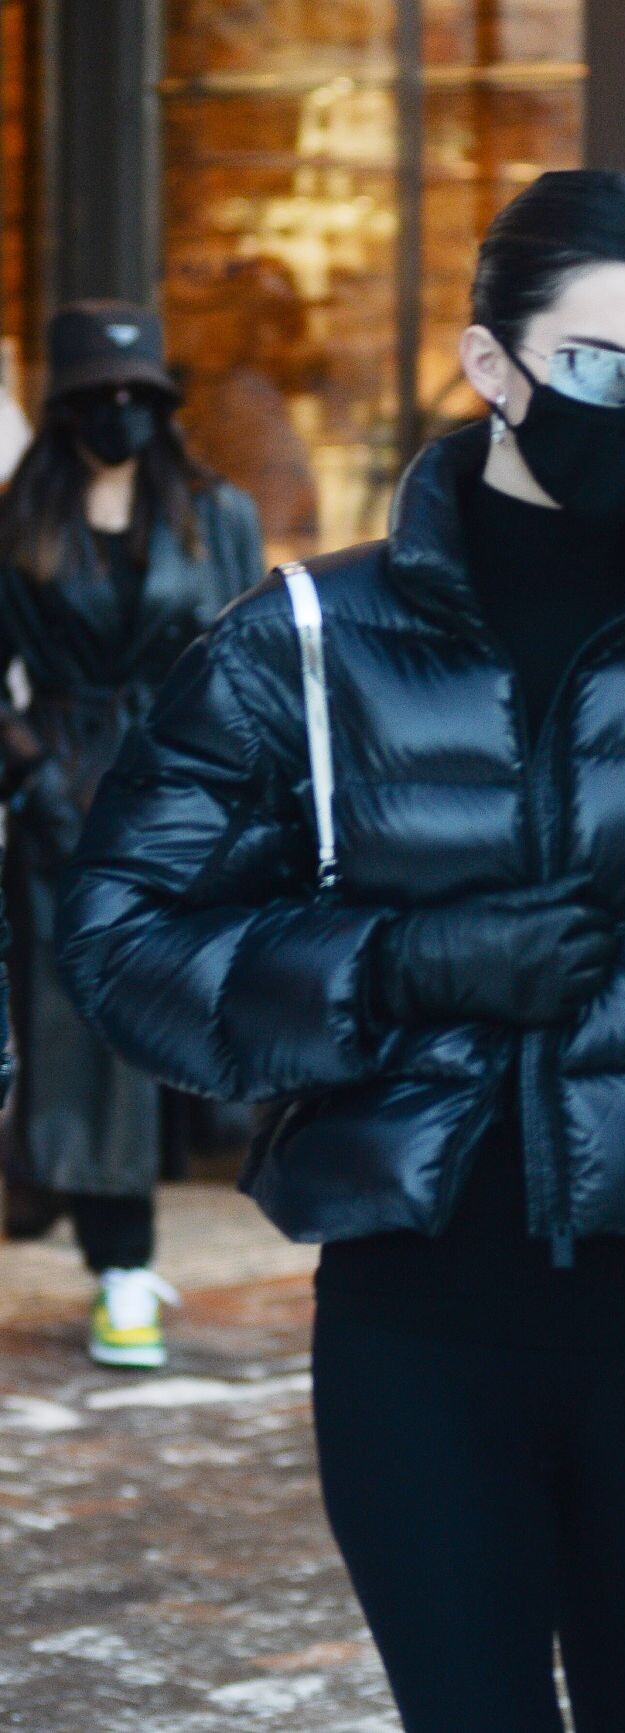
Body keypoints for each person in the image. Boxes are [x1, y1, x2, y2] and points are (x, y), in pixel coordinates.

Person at [56, 172, 625, 1733]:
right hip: (420, 1326)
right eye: (610, 371)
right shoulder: (305, 646)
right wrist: (400, 966)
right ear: (492, 364)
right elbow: (124, 936)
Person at [0, 299, 263, 1368]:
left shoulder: (214, 512)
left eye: (136, 395)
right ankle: (121, 1263)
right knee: (78, 1032)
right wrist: (30, 771)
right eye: (98, 396)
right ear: (64, 408)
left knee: (176, 1016)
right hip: (62, 801)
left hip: (184, 795)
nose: (119, 412)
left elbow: (246, 656)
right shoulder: (20, 519)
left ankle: (89, 1221)